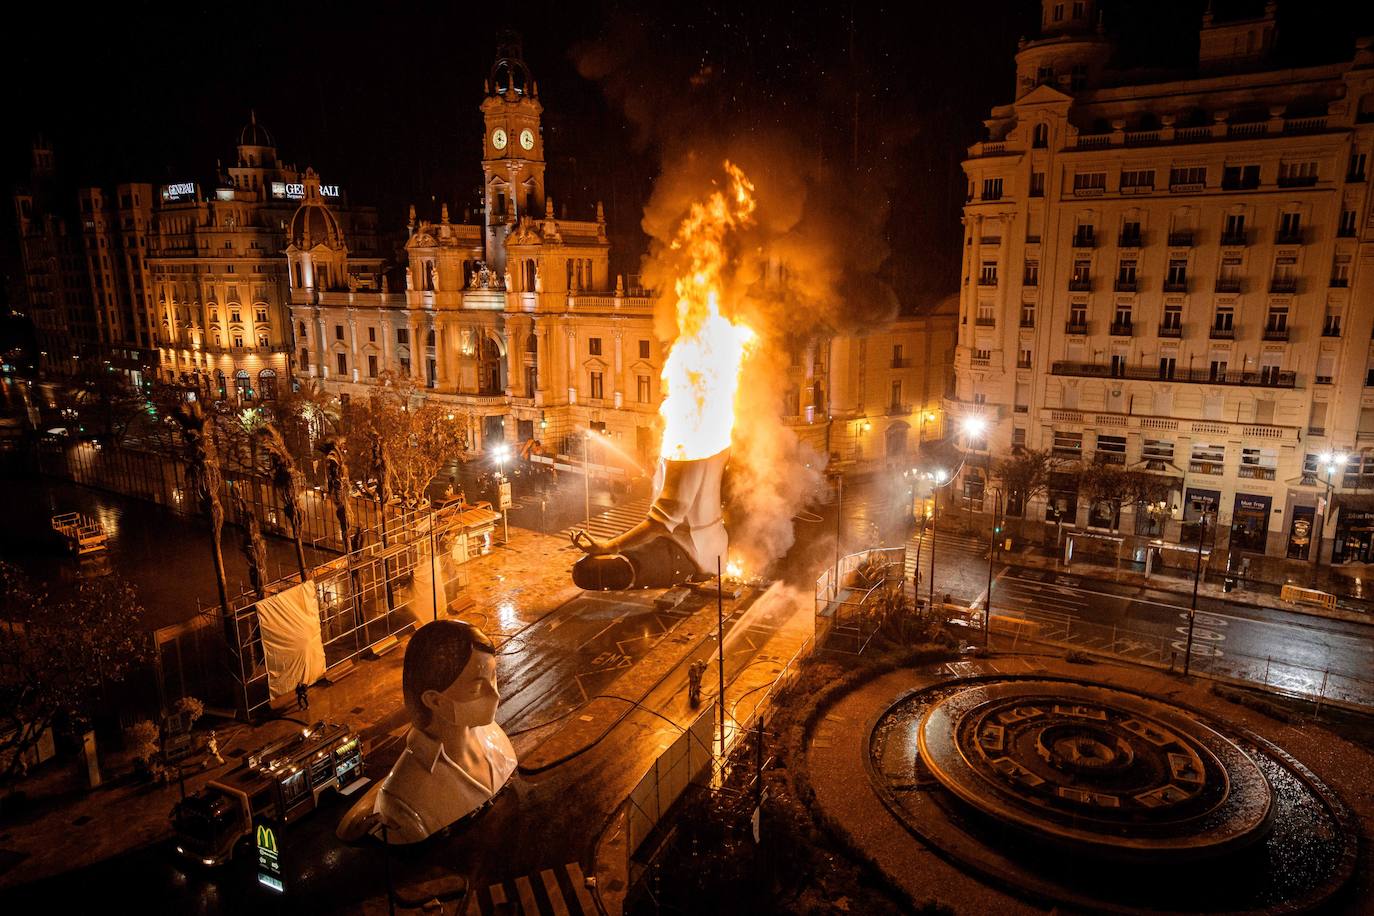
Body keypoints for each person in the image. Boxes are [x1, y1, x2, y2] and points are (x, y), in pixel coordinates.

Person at [372, 620, 517, 844]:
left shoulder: (495, 736)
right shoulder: (403, 804)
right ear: (434, 700)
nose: (495, 694)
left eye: (494, 677)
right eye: (477, 687)